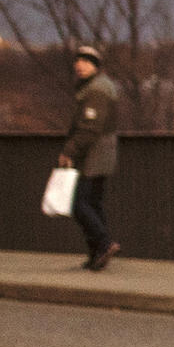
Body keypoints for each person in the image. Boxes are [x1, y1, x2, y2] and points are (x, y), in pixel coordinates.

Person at [56, 46, 121, 270]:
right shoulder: (99, 86)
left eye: (85, 61)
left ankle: (103, 243)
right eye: (78, 61)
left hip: (93, 155)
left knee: (79, 203)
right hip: (102, 154)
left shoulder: (96, 90)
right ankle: (97, 254)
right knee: (93, 202)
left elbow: (89, 128)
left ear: (95, 65)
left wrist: (69, 151)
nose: (79, 65)